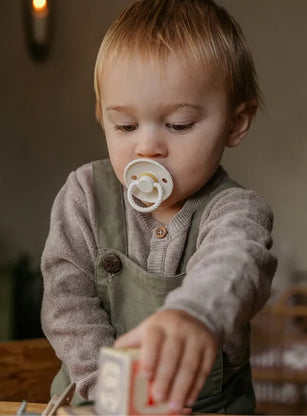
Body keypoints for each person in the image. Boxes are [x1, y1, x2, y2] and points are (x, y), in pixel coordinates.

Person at [41, 0, 277, 414]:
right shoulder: (85, 195)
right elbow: (65, 302)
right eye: (126, 126)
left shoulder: (236, 211)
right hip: (94, 402)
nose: (147, 146)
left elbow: (236, 264)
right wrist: (110, 391)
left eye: (179, 124)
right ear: (102, 116)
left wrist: (196, 315)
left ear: (236, 123)